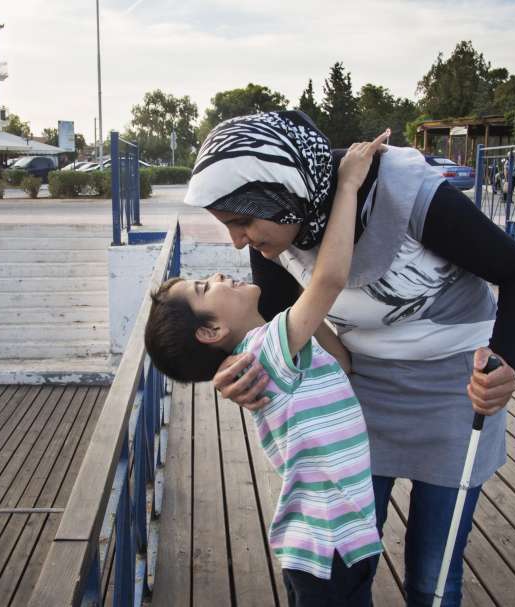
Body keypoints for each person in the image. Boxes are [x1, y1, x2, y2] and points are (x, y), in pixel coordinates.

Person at [184, 110, 515, 607]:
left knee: (432, 576)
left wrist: (504, 363)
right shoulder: (274, 236)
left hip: (457, 393)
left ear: (285, 191)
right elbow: (278, 326)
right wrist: (236, 373)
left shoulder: (404, 191)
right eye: (229, 225)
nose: (238, 240)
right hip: (358, 395)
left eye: (243, 221)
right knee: (344, 560)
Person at [146, 133, 392, 606]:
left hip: (339, 540)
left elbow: (342, 361)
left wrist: (284, 255)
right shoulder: (268, 350)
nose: (218, 274)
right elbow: (330, 279)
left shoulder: (274, 348)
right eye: (204, 287)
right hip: (328, 546)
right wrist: (347, 185)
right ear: (211, 330)